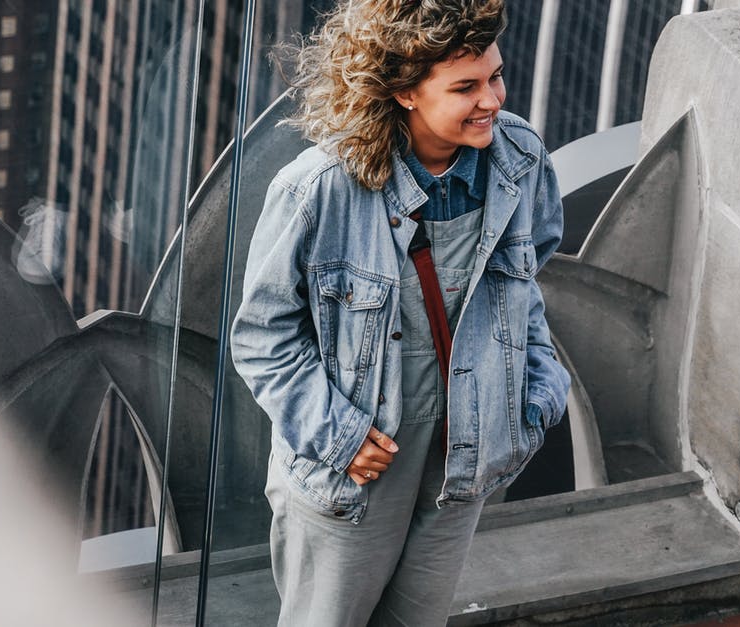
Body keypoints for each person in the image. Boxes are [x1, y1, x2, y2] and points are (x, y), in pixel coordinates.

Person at [230, 0, 570, 624]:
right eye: (465, 87)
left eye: (495, 76)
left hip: (461, 463)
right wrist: (338, 436)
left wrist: (536, 396)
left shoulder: (519, 158)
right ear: (405, 91)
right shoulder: (319, 189)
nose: (492, 99)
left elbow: (525, 284)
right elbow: (260, 337)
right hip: (356, 470)